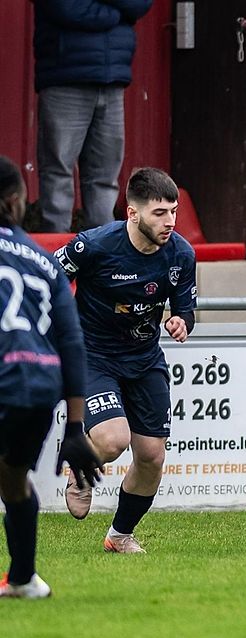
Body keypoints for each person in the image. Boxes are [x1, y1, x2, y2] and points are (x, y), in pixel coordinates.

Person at [53, 167, 197, 554]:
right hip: (93, 356)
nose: (169, 221)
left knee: (152, 456)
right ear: (133, 214)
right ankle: (80, 469)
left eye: (174, 211)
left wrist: (182, 322)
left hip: (145, 359)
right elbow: (47, 278)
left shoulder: (181, 254)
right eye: (159, 213)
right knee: (114, 439)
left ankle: (119, 536)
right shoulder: (94, 246)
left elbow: (186, 308)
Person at [0, 156, 102, 598]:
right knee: (12, 479)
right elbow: (72, 341)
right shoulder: (45, 262)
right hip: (40, 388)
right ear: (15, 202)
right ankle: (24, 580)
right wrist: (76, 428)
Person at [33, 0, 154, 233]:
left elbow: (140, 3)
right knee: (58, 171)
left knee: (104, 177)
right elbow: (65, 8)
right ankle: (56, 256)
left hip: (112, 78)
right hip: (65, 75)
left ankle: (102, 252)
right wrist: (116, 15)